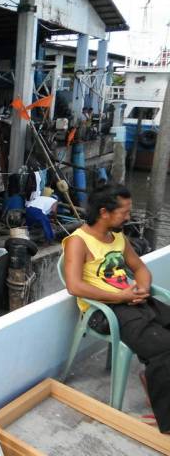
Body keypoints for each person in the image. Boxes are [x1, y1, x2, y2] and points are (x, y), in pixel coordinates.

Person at [63, 184, 170, 434]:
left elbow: (141, 269)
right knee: (163, 348)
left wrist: (141, 288)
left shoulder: (118, 238)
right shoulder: (78, 242)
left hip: (131, 300)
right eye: (124, 212)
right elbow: (74, 286)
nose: (128, 217)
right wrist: (119, 296)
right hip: (103, 312)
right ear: (104, 212)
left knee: (162, 338)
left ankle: (153, 377)